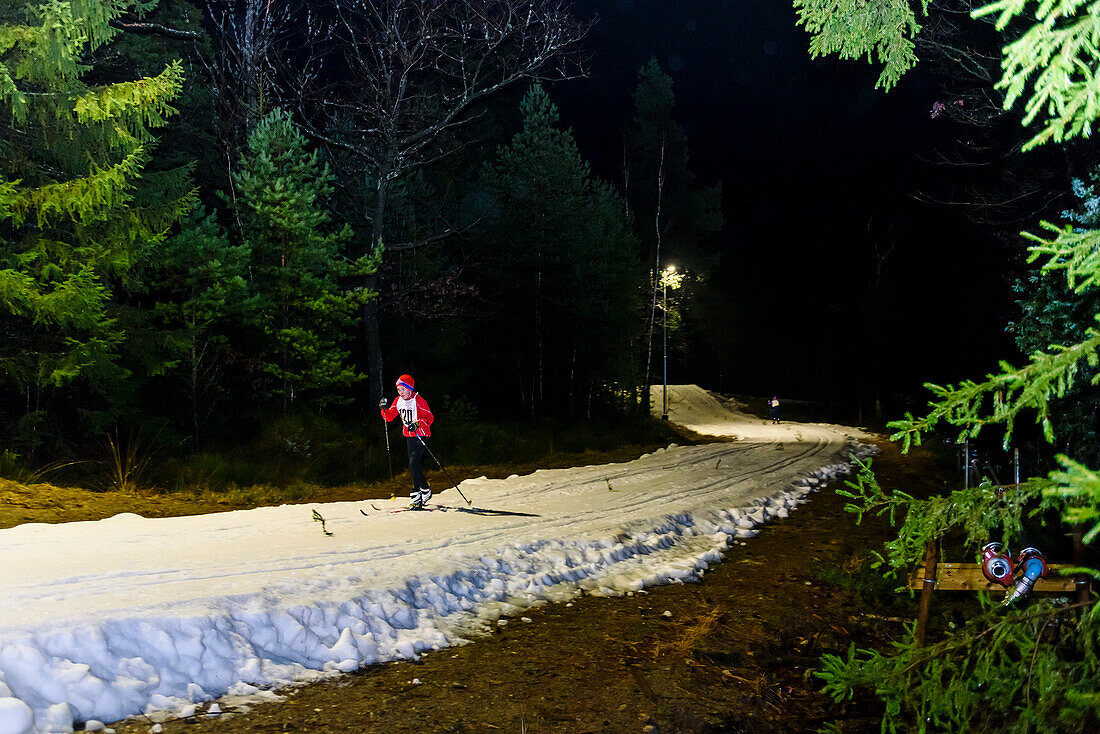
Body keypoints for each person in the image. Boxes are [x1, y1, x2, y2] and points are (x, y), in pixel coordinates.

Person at [379, 374, 435, 509]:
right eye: (399, 390)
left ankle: (417, 497)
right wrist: (383, 408)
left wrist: (417, 424)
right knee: (413, 466)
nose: (401, 392)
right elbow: (389, 417)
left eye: (403, 389)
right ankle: (426, 490)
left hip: (422, 435)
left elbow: (429, 418)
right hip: (409, 436)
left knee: (413, 462)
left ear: (410, 388)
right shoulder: (398, 401)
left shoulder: (419, 401)